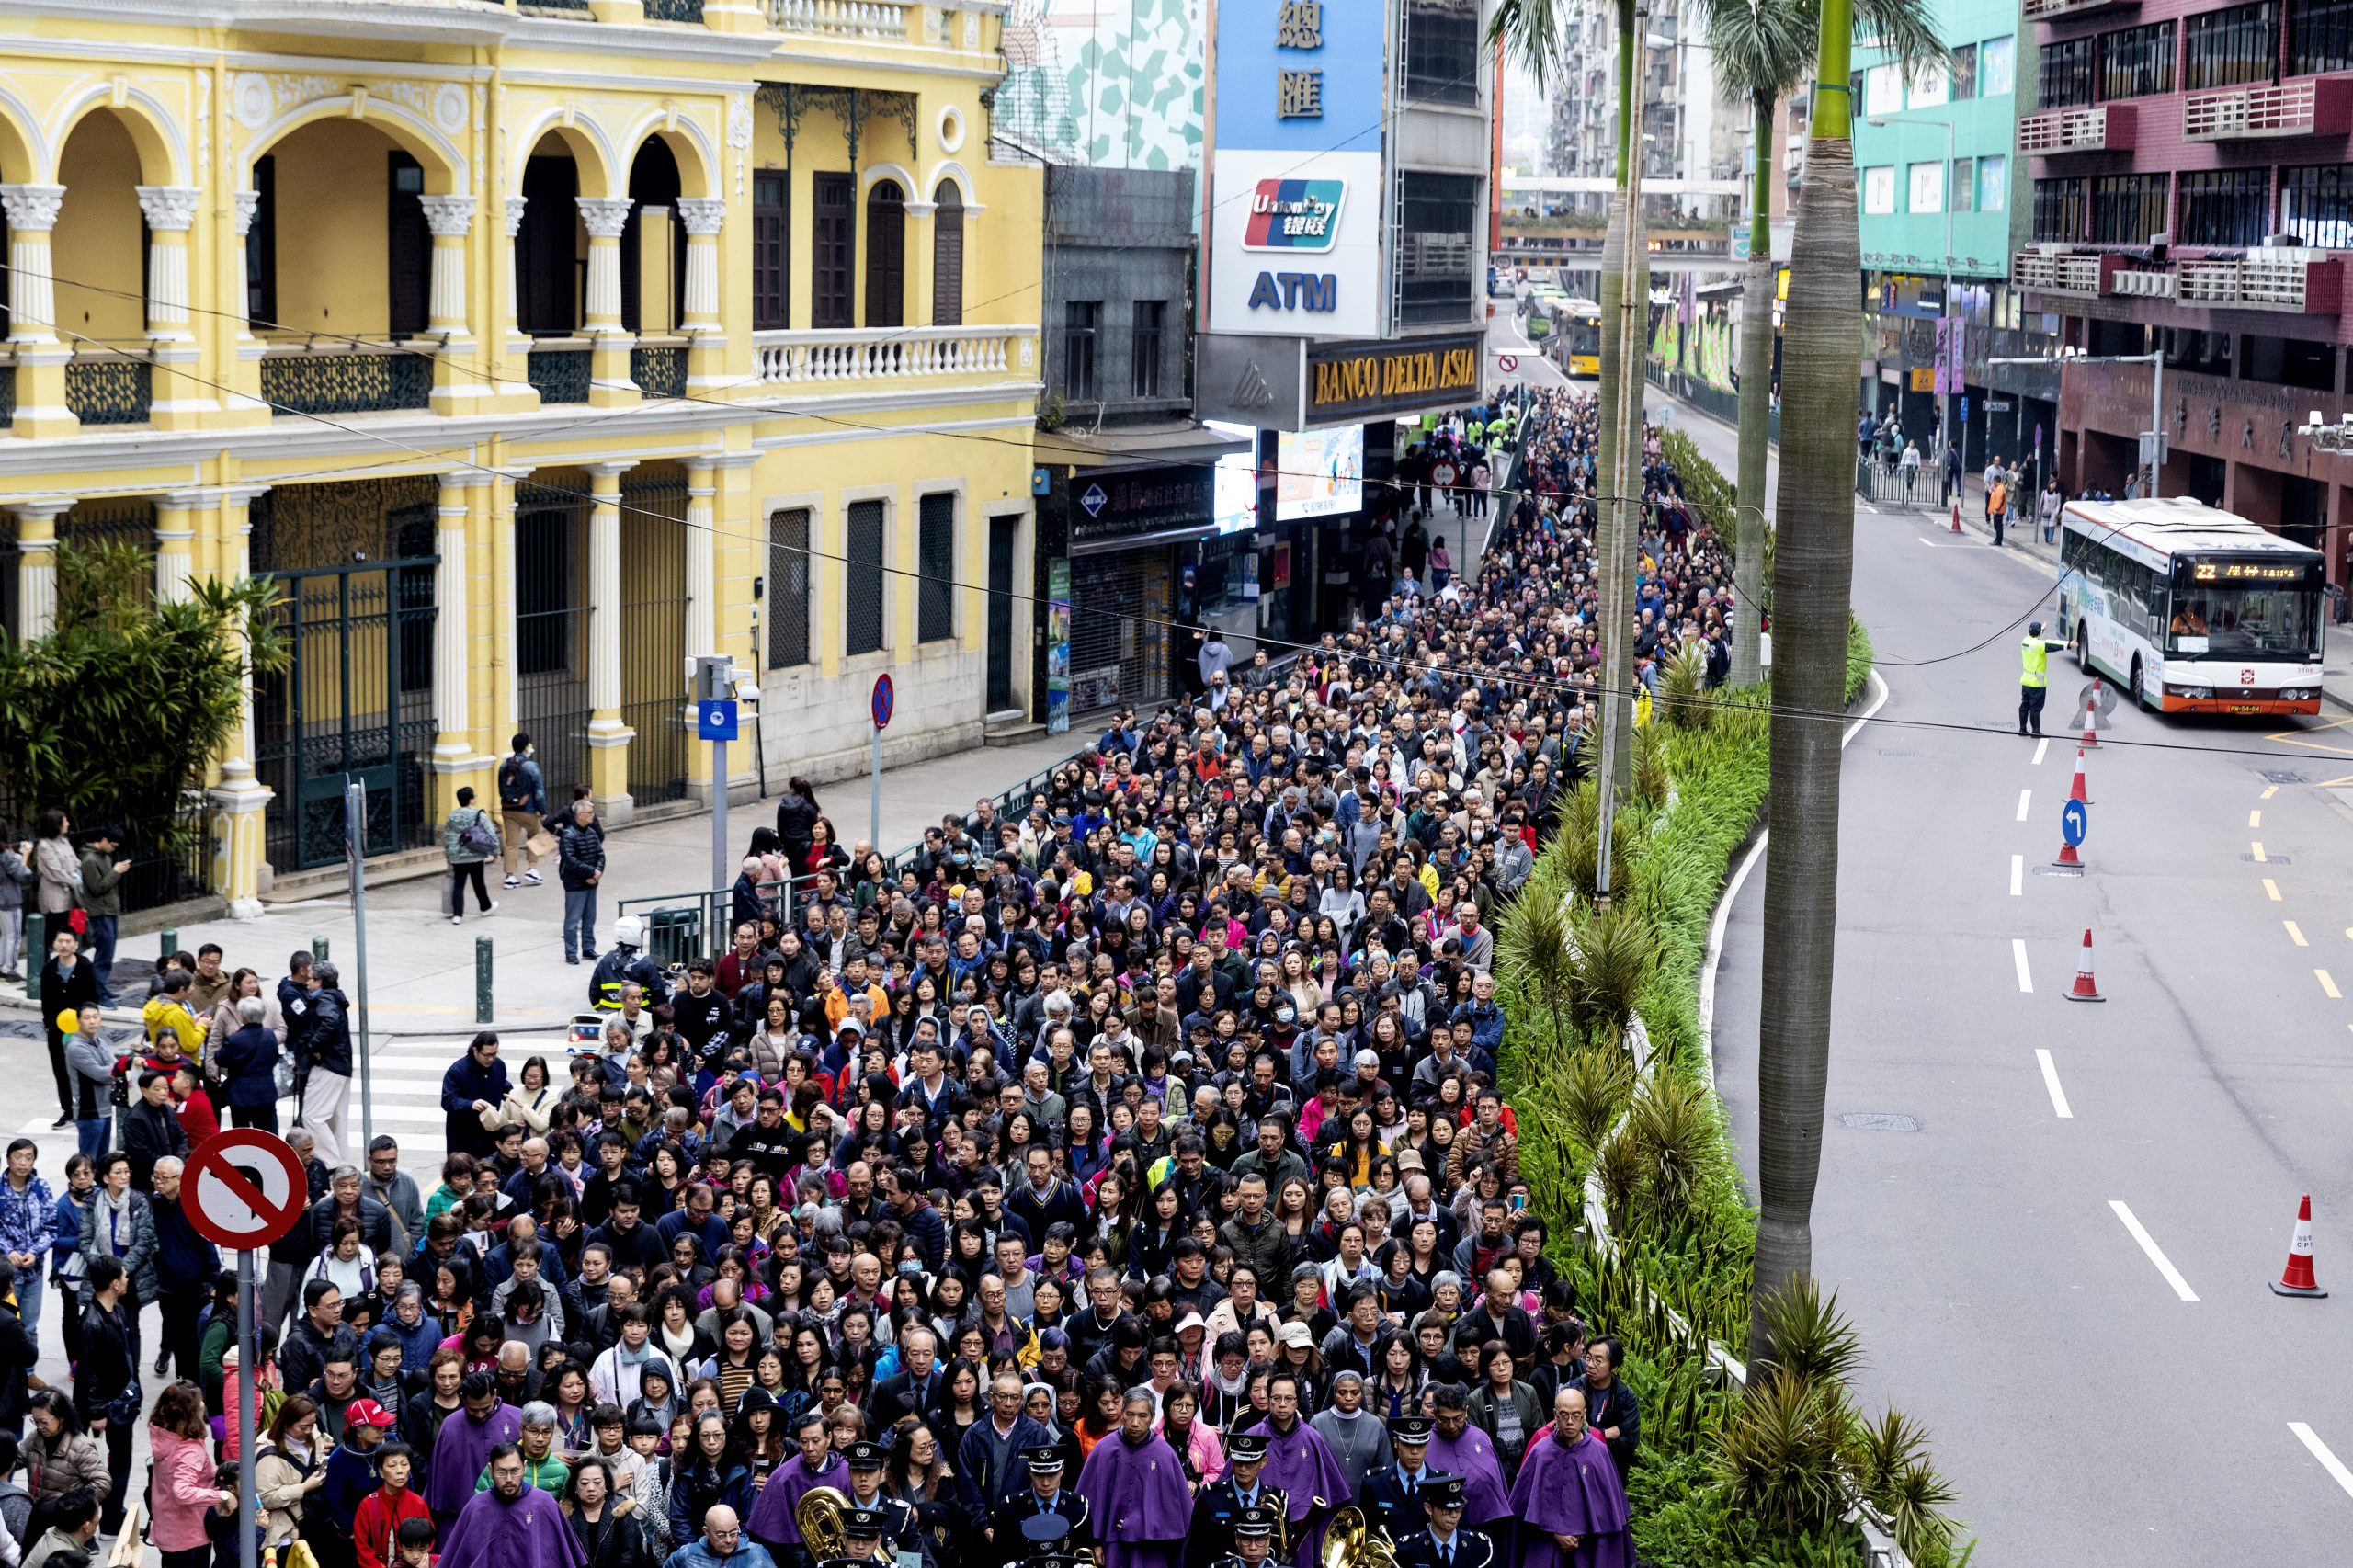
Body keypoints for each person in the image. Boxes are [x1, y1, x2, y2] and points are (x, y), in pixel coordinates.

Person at [1502, 1390, 1628, 1568]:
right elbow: (1522, 1509)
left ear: (1584, 1415)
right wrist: (1555, 1534)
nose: (1570, 1422)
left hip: (1588, 1548)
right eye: (1564, 1415)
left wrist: (1580, 1535)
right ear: (1555, 1415)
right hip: (1546, 1546)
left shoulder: (1599, 1452)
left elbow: (1609, 1510)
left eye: (1576, 1415)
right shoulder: (1540, 1452)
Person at [1073, 1392, 1188, 1568]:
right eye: (1130, 1414)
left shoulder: (1164, 1454)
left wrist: (1142, 1523)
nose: (1135, 1423)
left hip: (1153, 1550)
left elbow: (1180, 1516)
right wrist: (1094, 1543)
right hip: (1111, 1547)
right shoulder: (1104, 1450)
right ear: (1122, 1413)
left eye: (1142, 1416)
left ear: (1152, 1417)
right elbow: (1085, 1505)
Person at [438, 1443, 589, 1568]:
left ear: (524, 1467)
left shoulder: (544, 1503)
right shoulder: (476, 1507)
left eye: (515, 1471)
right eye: (501, 1472)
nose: (509, 1479)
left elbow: (565, 1558)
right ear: (491, 1470)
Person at [71, 1256, 137, 1536]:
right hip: (102, 1407)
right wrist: (97, 1411)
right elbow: (89, 1371)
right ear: (113, 1283)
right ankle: (100, 1519)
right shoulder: (92, 1323)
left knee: (121, 1460)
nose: (127, 1279)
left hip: (119, 1401)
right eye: (123, 1275)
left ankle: (113, 1514)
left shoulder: (117, 1311)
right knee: (98, 1465)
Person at [428, 1374, 525, 1537]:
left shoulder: (517, 1419)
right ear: (462, 1398)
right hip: (460, 1517)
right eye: (473, 1409)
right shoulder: (450, 1425)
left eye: (485, 1409)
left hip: (510, 1513)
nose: (480, 1415)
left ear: (494, 1394)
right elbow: (438, 1483)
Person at [39, 929, 98, 1131]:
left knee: (84, 1068)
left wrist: (88, 1022)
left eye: (68, 941)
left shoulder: (84, 967)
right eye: (60, 941)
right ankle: (68, 1111)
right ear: (54, 944)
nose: (63, 945)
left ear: (75, 945)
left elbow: (92, 997)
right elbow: (45, 1000)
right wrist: (49, 1024)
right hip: (56, 1029)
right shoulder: (49, 969)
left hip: (80, 1029)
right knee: (60, 1070)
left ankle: (87, 1109)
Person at [302, 963, 358, 1168]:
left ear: (319, 982)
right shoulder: (334, 997)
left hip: (329, 1064)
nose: (307, 982)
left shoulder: (324, 999)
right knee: (337, 1119)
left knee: (312, 1116)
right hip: (341, 1065)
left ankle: (331, 1162)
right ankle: (342, 1162)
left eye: (310, 979)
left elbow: (330, 1021)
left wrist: (315, 1045)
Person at [355, 1442, 436, 1568]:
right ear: (381, 1472)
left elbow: (429, 1539)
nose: (400, 1471)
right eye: (392, 1465)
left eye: (404, 1464)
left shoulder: (418, 1503)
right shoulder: (367, 1505)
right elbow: (362, 1548)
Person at [74, 826, 128, 1007]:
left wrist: (115, 871)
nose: (114, 849)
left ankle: (102, 989)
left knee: (108, 952)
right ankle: (98, 994)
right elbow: (97, 888)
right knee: (103, 954)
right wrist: (116, 872)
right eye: (112, 845)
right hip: (99, 912)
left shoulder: (105, 856)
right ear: (103, 841)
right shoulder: (89, 860)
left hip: (109, 911)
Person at [559, 799, 607, 967]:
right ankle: (571, 952)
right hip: (575, 885)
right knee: (572, 921)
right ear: (579, 815)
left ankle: (588, 949)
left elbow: (600, 854)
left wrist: (597, 872)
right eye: (590, 813)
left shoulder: (591, 833)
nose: (592, 816)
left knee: (589, 918)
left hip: (591, 882)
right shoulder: (568, 835)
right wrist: (591, 872)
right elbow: (571, 861)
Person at [445, 789, 504, 925]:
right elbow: (491, 833)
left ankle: (457, 915)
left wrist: (448, 854)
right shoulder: (479, 814)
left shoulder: (452, 816)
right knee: (478, 883)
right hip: (475, 854)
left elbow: (447, 836)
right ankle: (485, 907)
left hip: (457, 856)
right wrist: (496, 851)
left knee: (459, 884)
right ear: (471, 800)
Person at [500, 735, 551, 892]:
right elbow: (539, 791)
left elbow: (501, 788)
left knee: (511, 844)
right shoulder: (531, 766)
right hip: (527, 809)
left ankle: (510, 877)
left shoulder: (504, 765)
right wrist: (542, 811)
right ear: (526, 747)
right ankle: (532, 869)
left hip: (508, 809)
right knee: (537, 837)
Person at [2018, 620, 2068, 738]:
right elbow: (2054, 645)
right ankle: (2035, 731)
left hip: (2026, 680)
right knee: (2036, 708)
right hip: (2037, 681)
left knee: (2024, 705)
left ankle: (2022, 729)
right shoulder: (2040, 645)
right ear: (2038, 633)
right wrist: (2070, 644)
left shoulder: (2025, 641)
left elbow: (2035, 639)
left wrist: (2042, 629)